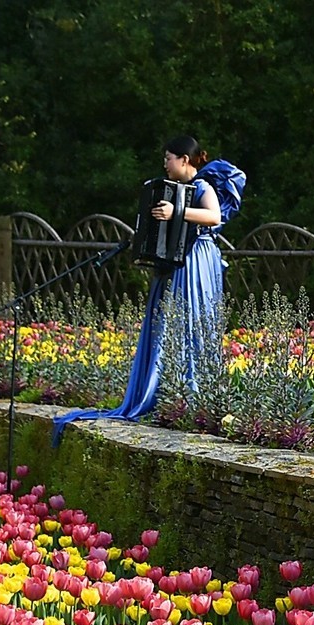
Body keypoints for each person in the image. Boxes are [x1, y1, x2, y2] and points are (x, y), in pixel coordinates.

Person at [51, 136, 225, 442]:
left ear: (185, 160)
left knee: (190, 320)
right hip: (172, 264)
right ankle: (160, 393)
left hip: (196, 259)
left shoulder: (202, 186)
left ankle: (192, 395)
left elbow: (214, 217)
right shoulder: (167, 189)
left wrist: (177, 212)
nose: (165, 163)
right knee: (164, 323)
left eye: (169, 157)